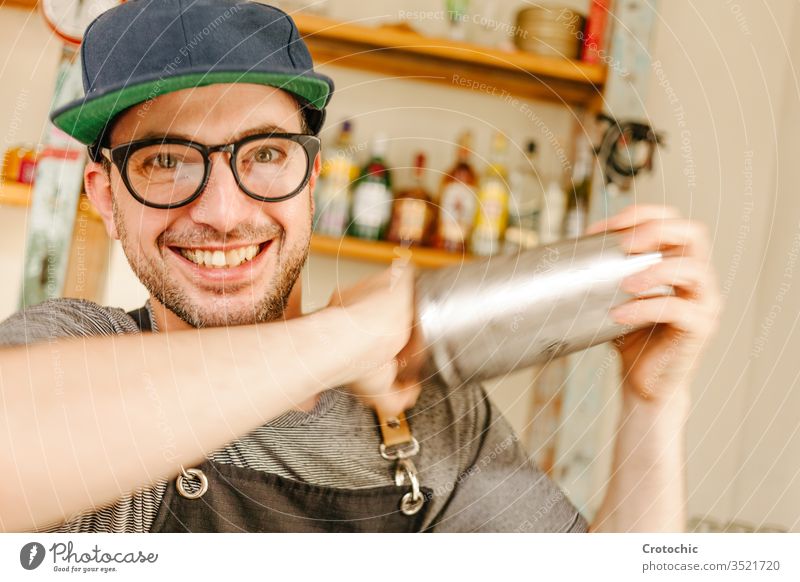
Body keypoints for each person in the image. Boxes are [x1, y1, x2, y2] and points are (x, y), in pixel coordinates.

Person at [0, 0, 720, 533]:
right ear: (105, 195)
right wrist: (346, 336)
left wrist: (653, 407)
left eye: (264, 155)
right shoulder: (71, 354)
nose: (222, 210)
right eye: (164, 161)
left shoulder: (432, 417)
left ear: (312, 181)